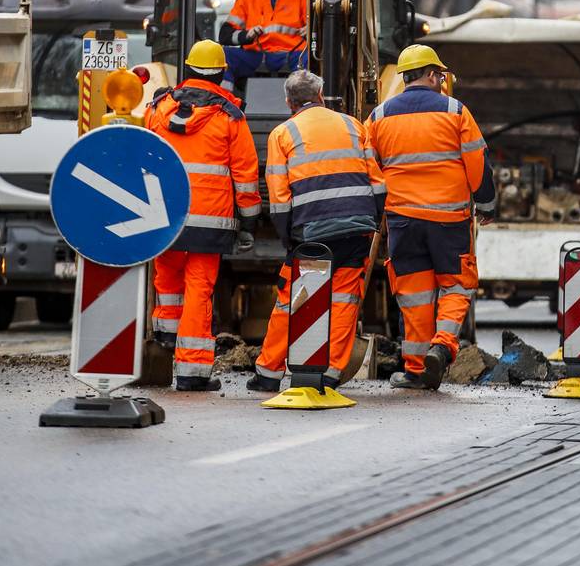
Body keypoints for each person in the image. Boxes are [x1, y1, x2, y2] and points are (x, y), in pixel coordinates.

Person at [365, 43, 495, 390]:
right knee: (455, 285)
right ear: (432, 74)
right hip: (448, 219)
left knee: (414, 294)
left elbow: (366, 165)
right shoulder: (455, 111)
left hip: (402, 220)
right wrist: (487, 203)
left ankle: (416, 371)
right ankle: (442, 346)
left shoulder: (378, 117)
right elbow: (477, 161)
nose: (441, 79)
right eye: (439, 74)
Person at [248, 68, 386, 393]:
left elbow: (280, 199)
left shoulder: (282, 134)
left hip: (311, 232)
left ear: (288, 102)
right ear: (321, 97)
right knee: (344, 299)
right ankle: (331, 373)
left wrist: (288, 239)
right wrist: (372, 221)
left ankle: (269, 372)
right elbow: (378, 183)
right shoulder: (353, 125)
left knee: (294, 298)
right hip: (357, 227)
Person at [145, 39, 261, 391]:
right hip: (210, 220)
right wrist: (249, 223)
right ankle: (193, 372)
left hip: (163, 215)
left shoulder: (158, 108)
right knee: (199, 288)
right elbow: (245, 174)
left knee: (167, 280)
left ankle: (165, 340)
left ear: (188, 69)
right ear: (223, 72)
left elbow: (143, 157)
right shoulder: (229, 116)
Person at [219, 0, 307, 87]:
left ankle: (305, 107)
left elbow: (316, 29)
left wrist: (309, 30)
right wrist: (247, 35)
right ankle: (226, 105)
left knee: (310, 60)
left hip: (294, 55)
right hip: (256, 56)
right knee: (222, 55)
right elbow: (225, 35)